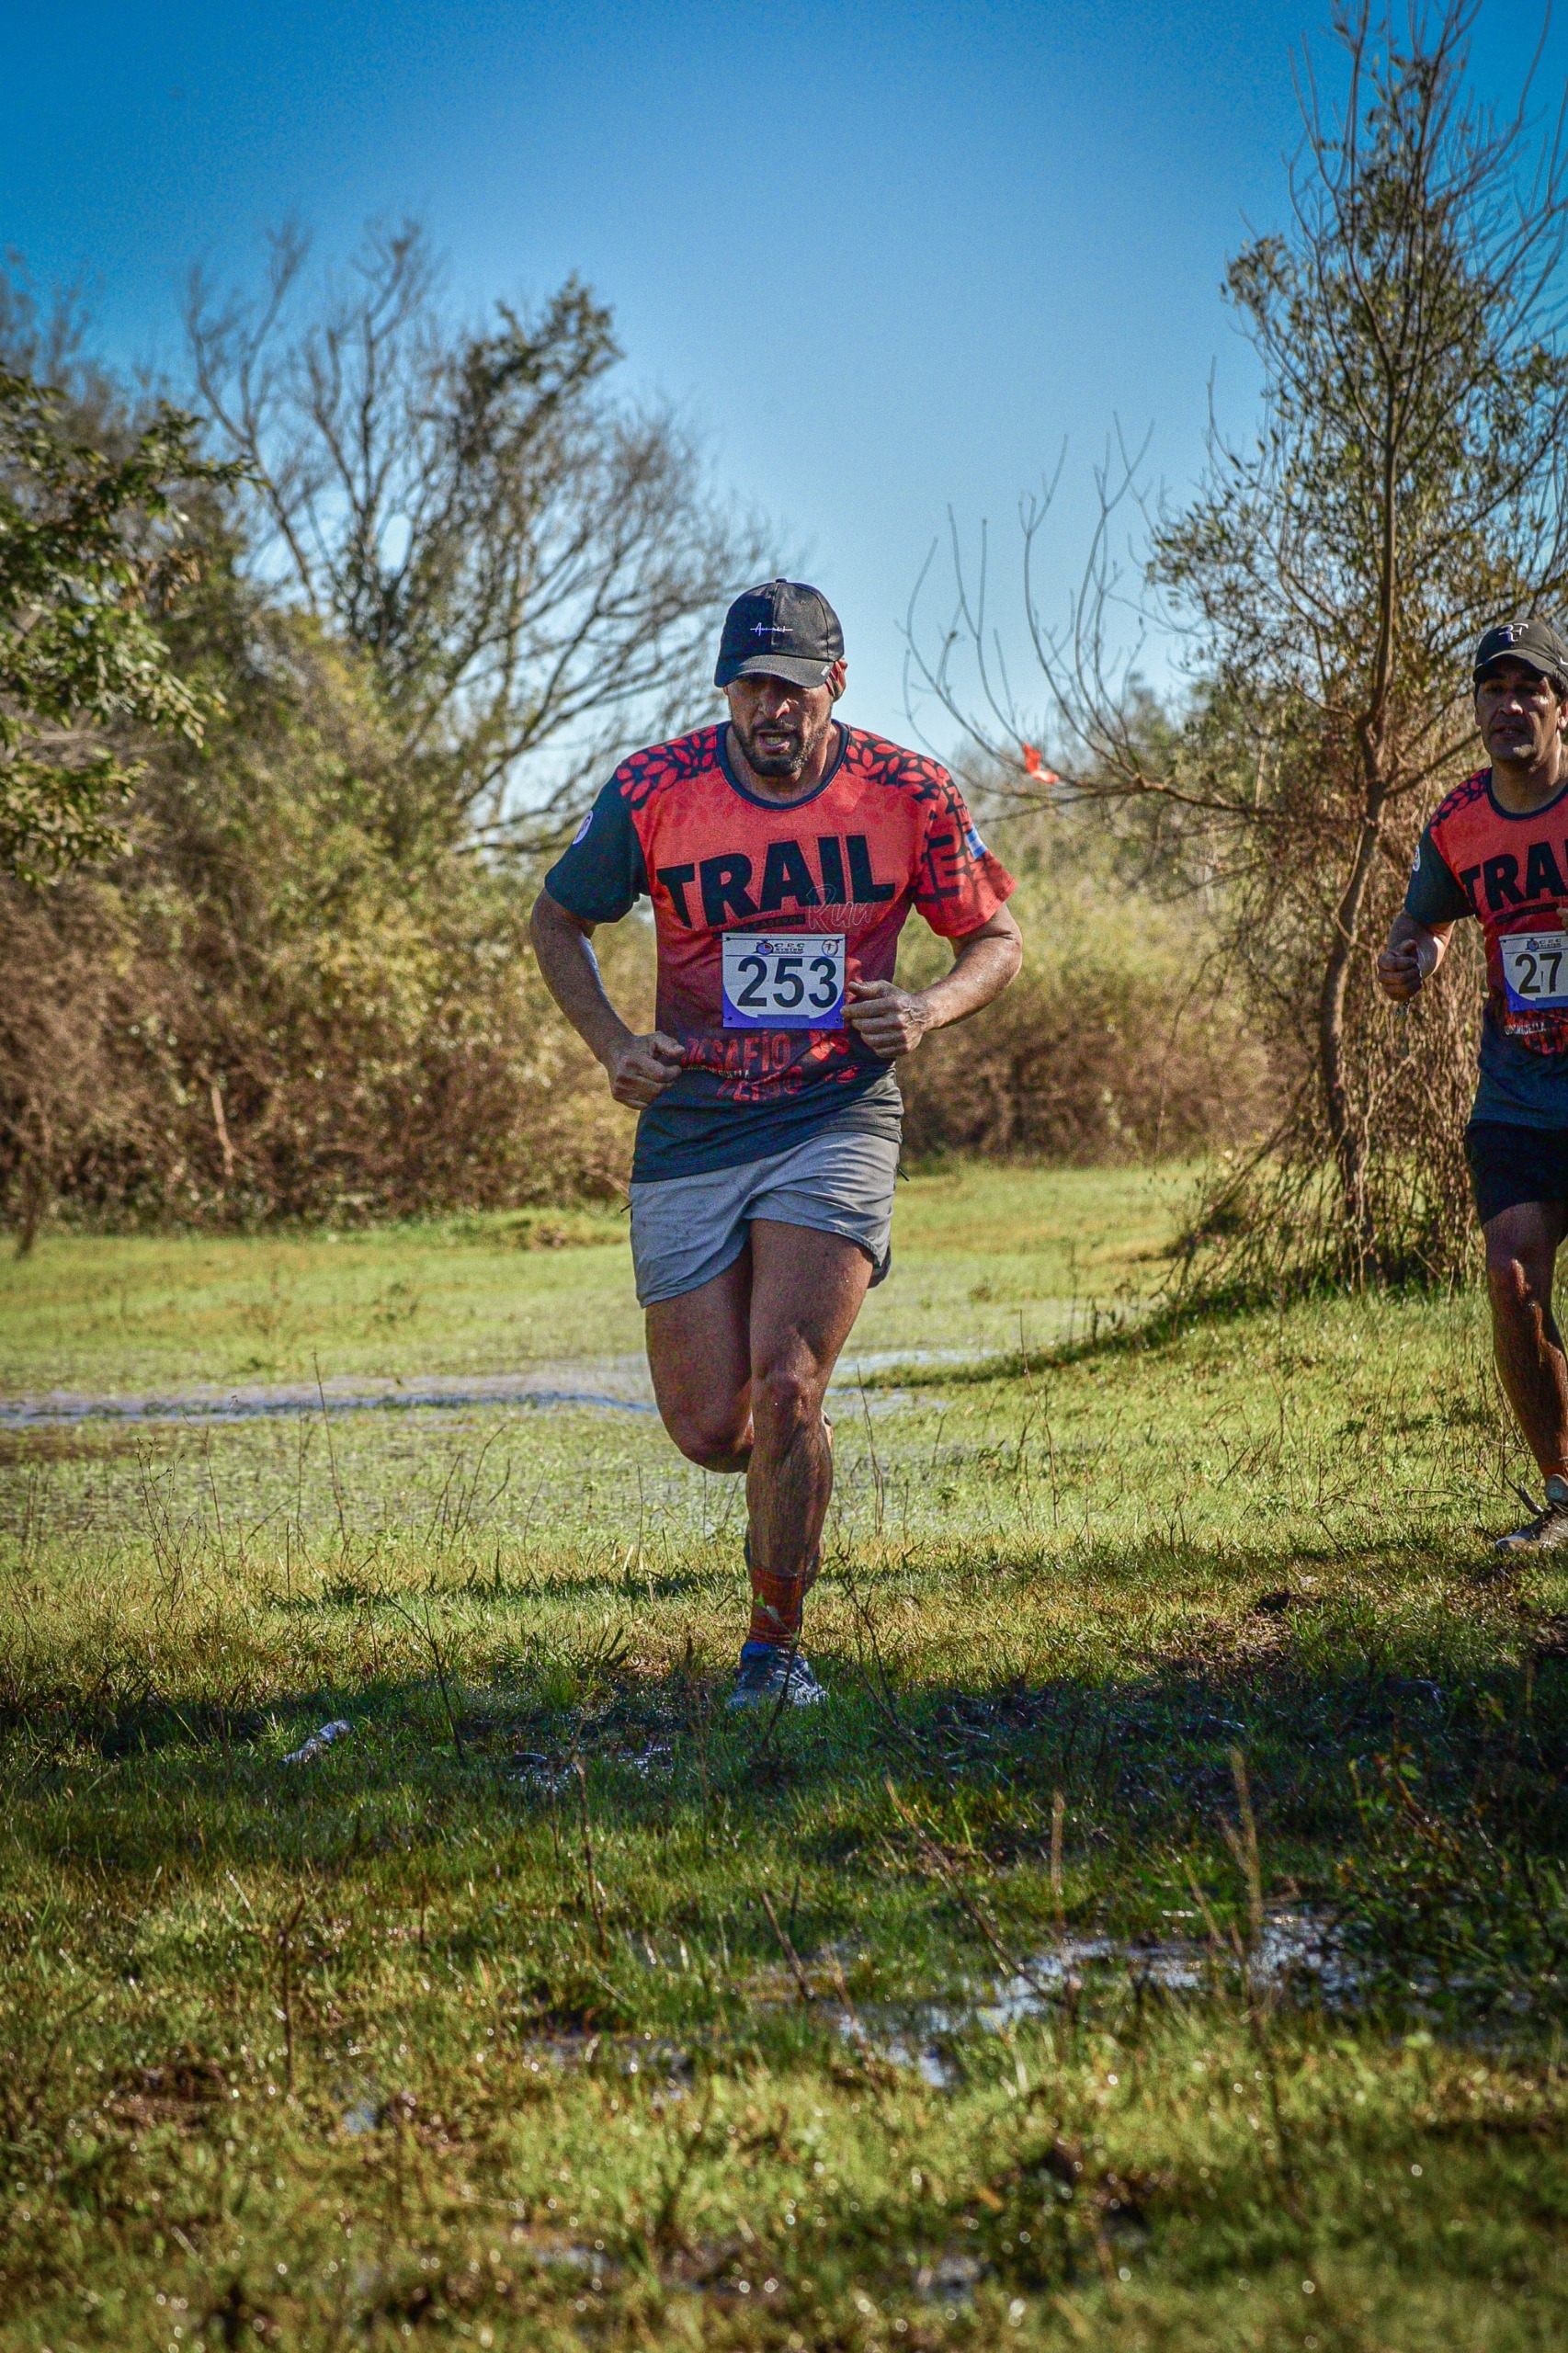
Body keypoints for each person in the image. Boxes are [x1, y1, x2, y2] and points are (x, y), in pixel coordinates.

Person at [530, 579, 1022, 1699]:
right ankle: (789, 1477)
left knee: (789, 1382)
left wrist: (927, 1008)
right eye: (751, 685)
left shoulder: (907, 792)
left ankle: (774, 1648)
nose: (772, 709)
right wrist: (613, 1044)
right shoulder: (654, 790)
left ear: (833, 686)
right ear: (726, 691)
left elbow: (994, 937)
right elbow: (557, 920)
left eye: (793, 687)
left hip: (832, 1109)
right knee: (715, 1426)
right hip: (694, 1120)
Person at [1377, 617, 1568, 1550]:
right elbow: (1423, 921)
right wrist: (1404, 956)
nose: (1507, 705)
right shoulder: (1457, 820)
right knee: (1510, 1280)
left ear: (1559, 705)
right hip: (1517, 1091)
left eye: (1526, 687)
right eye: (1491, 690)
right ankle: (1565, 1499)